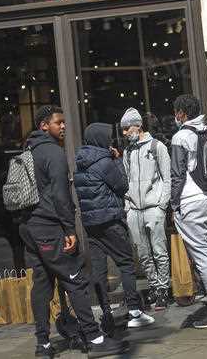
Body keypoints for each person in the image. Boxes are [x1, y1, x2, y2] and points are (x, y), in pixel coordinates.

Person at [20, 105, 127, 357]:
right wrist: (69, 229)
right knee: (76, 280)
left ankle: (43, 344)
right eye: (58, 122)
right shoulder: (53, 153)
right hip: (50, 226)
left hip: (30, 228)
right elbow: (60, 195)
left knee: (42, 285)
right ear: (44, 126)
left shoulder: (29, 151)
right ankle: (95, 338)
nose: (64, 126)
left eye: (64, 122)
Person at [73, 122, 154, 335]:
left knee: (98, 270)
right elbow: (122, 185)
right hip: (110, 221)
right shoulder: (105, 162)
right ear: (100, 139)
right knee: (126, 263)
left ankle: (106, 313)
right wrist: (117, 160)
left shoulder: (81, 162)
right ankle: (135, 311)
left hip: (91, 225)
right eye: (107, 138)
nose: (110, 141)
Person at [170, 94, 207, 329]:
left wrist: (174, 205)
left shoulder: (180, 137)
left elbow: (177, 175)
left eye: (176, 112)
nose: (175, 116)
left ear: (182, 114)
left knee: (202, 255)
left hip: (190, 201)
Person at [121, 107, 172, 310]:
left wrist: (162, 205)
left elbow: (167, 178)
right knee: (142, 253)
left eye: (127, 128)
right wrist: (128, 206)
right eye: (123, 129)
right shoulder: (127, 152)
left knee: (159, 251)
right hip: (135, 209)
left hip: (153, 207)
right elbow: (126, 179)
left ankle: (163, 289)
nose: (124, 132)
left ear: (138, 126)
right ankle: (154, 286)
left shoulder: (157, 146)